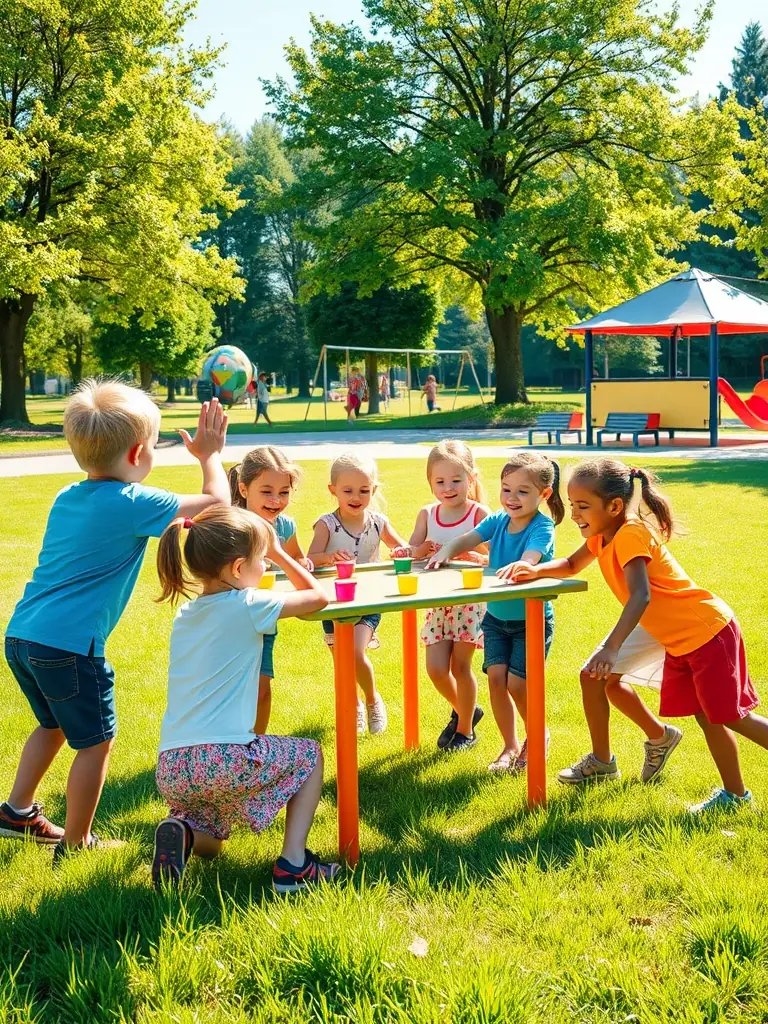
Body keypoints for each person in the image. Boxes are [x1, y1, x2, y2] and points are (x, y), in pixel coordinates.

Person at [1, 381, 231, 859]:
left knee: (53, 724)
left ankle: (16, 811)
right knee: (97, 743)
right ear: (138, 452)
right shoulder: (132, 503)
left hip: (24, 636)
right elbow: (219, 507)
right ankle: (77, 839)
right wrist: (209, 456)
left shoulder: (69, 494)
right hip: (69, 648)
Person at [509, 458, 768, 812]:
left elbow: (641, 595)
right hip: (678, 634)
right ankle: (735, 796)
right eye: (572, 506)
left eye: (583, 506)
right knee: (707, 716)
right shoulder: (604, 535)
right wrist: (535, 569)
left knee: (729, 717)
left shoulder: (630, 534)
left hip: (706, 631)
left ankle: (735, 796)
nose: (575, 515)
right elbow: (570, 565)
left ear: (614, 506)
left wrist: (612, 648)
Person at [151, 505, 339, 893]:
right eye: (260, 561)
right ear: (238, 569)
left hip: (173, 766)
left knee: (214, 841)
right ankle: (294, 865)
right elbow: (319, 597)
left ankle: (182, 832)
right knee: (310, 755)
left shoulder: (186, 613)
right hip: (223, 758)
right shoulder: (249, 603)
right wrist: (282, 552)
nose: (265, 568)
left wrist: (265, 549)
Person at [427, 453, 563, 772]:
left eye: (522, 491)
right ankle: (510, 747)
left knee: (518, 684)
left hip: (530, 620)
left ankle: (537, 734)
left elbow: (533, 555)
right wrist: (445, 552)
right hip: (496, 620)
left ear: (543, 495)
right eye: (506, 489)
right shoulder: (498, 520)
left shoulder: (542, 526)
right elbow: (468, 539)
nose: (511, 498)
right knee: (497, 680)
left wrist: (526, 564)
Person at [396, 441, 491, 751]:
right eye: (440, 482)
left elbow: (495, 559)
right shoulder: (428, 514)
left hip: (469, 602)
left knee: (460, 667)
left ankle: (465, 731)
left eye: (456, 480)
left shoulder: (479, 513)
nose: (448, 488)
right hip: (436, 602)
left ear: (471, 478)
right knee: (436, 669)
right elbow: (413, 551)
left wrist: (473, 556)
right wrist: (410, 552)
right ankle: (469, 710)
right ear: (430, 483)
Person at [308, 453, 408, 735]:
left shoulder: (378, 522)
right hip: (334, 600)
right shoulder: (326, 524)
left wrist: (402, 551)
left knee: (354, 652)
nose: (356, 496)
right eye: (348, 490)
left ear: (373, 490)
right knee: (341, 660)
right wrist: (328, 557)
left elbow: (402, 549)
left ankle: (373, 699)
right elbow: (310, 558)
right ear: (333, 490)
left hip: (369, 598)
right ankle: (354, 704)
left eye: (364, 490)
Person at [229, 446, 313, 733]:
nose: (276, 500)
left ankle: (256, 748)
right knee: (232, 688)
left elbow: (297, 558)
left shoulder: (285, 526)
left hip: (264, 618)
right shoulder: (230, 525)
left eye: (284, 492)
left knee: (262, 689)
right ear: (243, 488)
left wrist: (306, 563)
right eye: (266, 491)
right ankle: (228, 745)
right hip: (230, 618)